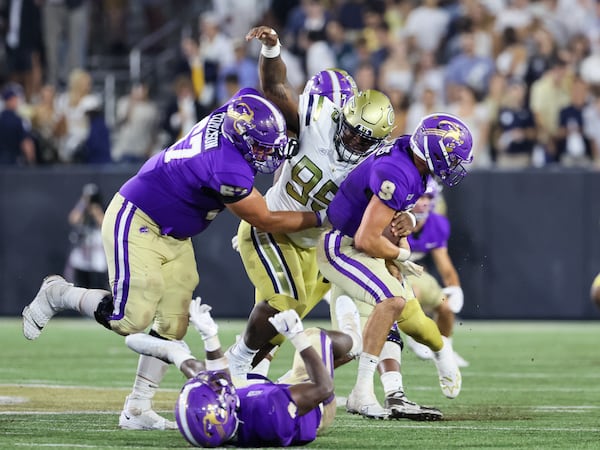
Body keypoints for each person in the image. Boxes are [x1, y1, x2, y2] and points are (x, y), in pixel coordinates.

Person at [21, 88, 324, 431]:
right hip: (138, 218)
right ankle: (58, 292)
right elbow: (266, 218)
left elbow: (264, 91)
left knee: (174, 323)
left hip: (176, 234)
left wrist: (271, 57)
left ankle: (137, 407)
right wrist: (322, 218)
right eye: (260, 147)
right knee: (129, 319)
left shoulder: (239, 111)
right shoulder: (226, 167)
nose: (268, 155)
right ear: (239, 140)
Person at [227, 26, 411, 388]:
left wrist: (404, 221)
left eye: (365, 138)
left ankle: (254, 383)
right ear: (342, 114)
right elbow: (276, 89)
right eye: (352, 129)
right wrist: (273, 50)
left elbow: (383, 212)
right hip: (274, 227)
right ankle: (239, 360)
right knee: (285, 301)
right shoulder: (318, 118)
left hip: (316, 246)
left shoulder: (379, 162)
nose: (354, 139)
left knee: (283, 323)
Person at [316, 113, 474, 418]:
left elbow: (394, 221)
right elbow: (365, 238)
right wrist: (402, 258)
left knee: (412, 320)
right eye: (452, 157)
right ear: (433, 152)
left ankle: (432, 361)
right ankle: (359, 392)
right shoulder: (397, 171)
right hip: (343, 245)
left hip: (368, 247)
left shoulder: (412, 161)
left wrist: (408, 223)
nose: (455, 165)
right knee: (386, 306)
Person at [124, 297, 359, 447]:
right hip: (313, 404)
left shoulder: (216, 428)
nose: (219, 385)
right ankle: (356, 336)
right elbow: (323, 387)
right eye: (220, 392)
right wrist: (296, 337)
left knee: (202, 374)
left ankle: (175, 352)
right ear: (226, 407)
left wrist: (210, 337)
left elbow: (220, 383)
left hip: (256, 404)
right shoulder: (269, 411)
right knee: (315, 338)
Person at [402, 177, 469, 368]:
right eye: (419, 196)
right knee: (413, 292)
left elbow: (445, 266)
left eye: (427, 197)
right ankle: (416, 334)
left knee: (446, 308)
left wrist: (455, 287)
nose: (423, 202)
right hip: (388, 268)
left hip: (414, 272)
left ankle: (445, 349)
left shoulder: (437, 224)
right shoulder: (394, 218)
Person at [65, 183, 108, 290]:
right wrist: (83, 204)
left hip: (97, 260)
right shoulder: (81, 210)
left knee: (99, 290)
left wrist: (96, 210)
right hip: (82, 259)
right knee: (81, 289)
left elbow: (104, 224)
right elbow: (73, 219)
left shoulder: (102, 210)